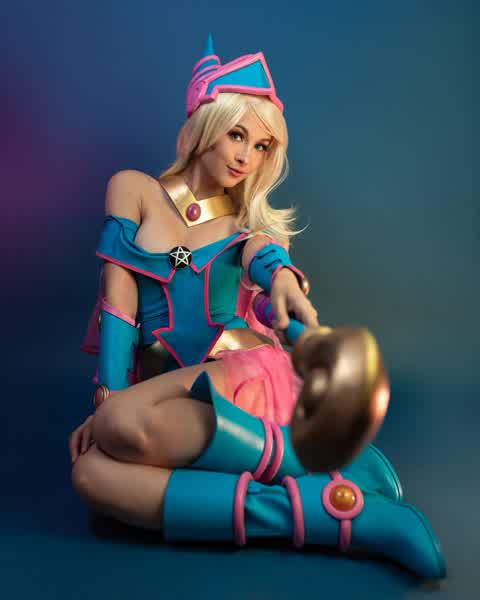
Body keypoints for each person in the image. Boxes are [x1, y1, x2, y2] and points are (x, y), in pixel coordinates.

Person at [69, 36, 446, 579]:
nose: (247, 156)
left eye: (263, 146)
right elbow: (118, 298)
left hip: (239, 375)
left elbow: (266, 261)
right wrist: (103, 399)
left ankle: (316, 461)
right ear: (204, 126)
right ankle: (343, 510)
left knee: (118, 425)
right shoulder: (134, 190)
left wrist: (286, 284)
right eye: (237, 134)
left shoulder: (245, 226)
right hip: (173, 401)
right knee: (91, 477)